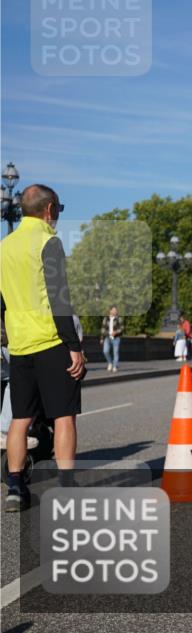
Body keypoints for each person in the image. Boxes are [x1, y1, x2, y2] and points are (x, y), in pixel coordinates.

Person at [0, 184, 87, 511]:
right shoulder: (49, 243)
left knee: (20, 419)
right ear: (49, 210)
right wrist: (73, 345)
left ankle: (14, 487)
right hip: (51, 342)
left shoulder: (4, 246)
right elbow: (59, 298)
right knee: (64, 416)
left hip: (19, 344)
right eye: (58, 210)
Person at [101, 305, 123, 372]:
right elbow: (103, 328)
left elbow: (122, 328)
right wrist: (102, 338)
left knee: (115, 352)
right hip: (107, 337)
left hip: (116, 338)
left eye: (116, 310)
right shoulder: (106, 318)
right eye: (113, 310)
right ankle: (110, 362)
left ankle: (115, 366)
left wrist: (116, 332)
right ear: (110, 311)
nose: (115, 311)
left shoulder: (119, 318)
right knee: (105, 351)